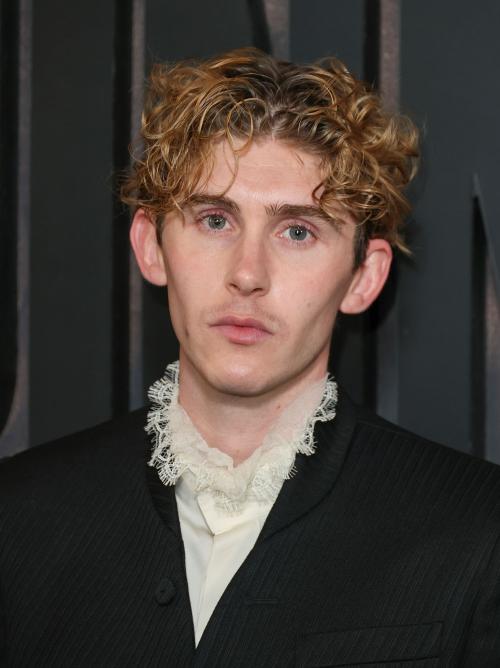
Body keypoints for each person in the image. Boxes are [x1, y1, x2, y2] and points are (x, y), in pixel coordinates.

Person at [1, 48, 499, 667]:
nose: (247, 273)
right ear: (151, 246)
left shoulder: (478, 529)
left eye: (298, 231)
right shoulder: (18, 515)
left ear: (363, 278)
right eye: (215, 220)